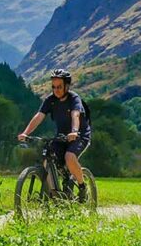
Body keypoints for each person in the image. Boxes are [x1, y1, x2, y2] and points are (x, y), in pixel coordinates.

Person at [16, 68, 91, 202]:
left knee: (69, 157)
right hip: (61, 136)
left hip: (79, 135)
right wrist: (25, 133)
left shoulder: (74, 98)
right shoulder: (50, 100)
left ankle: (82, 187)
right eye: (53, 87)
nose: (56, 90)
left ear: (67, 86)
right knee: (47, 158)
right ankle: (55, 195)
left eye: (59, 87)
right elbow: (39, 117)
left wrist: (74, 131)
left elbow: (76, 114)